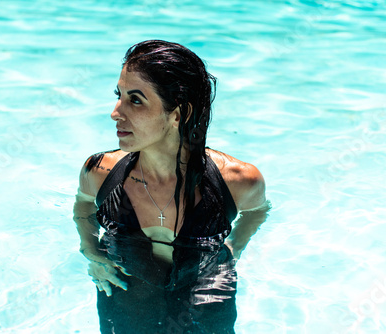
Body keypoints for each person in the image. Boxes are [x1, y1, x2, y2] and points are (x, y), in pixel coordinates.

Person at [73, 40, 271, 333]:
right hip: (126, 279)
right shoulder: (100, 171)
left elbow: (257, 212)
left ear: (178, 114)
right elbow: (84, 206)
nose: (116, 112)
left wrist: (234, 248)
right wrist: (91, 253)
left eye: (135, 100)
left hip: (206, 284)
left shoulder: (238, 180)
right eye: (120, 96)